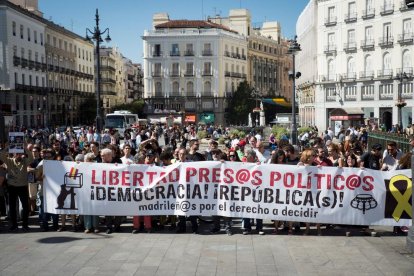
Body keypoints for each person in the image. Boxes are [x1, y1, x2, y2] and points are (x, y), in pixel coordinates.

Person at [0, 145, 33, 232]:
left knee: (25, 207)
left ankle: (25, 225)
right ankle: (14, 225)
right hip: (12, 187)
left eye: (20, 153)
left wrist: (24, 147)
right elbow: (1, 155)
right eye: (16, 153)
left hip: (22, 187)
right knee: (12, 207)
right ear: (14, 154)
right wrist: (8, 147)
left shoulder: (25, 161)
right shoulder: (9, 161)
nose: (18, 155)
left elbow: (31, 157)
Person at [242, 147, 264, 235]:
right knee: (246, 209)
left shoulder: (259, 165)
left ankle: (259, 228)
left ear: (251, 156)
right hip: (246, 191)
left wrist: (259, 166)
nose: (245, 157)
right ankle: (247, 228)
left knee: (258, 209)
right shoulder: (243, 164)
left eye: (246, 155)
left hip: (257, 191)